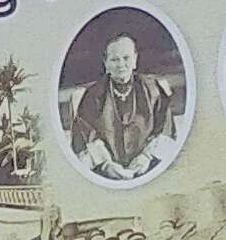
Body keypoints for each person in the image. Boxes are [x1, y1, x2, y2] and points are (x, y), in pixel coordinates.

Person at [61, 23, 183, 184]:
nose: (121, 65)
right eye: (114, 59)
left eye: (126, 58)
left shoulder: (154, 90)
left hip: (150, 167)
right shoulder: (91, 97)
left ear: (135, 60)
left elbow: (165, 129)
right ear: (106, 64)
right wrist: (106, 165)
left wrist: (147, 157)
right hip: (105, 174)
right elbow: (85, 135)